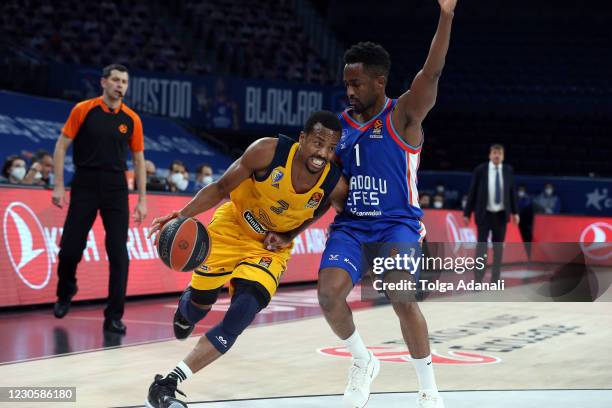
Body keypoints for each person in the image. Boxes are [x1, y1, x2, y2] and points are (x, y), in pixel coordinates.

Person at [144, 111, 348, 408]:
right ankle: (187, 311)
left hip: (268, 248)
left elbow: (320, 209)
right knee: (199, 306)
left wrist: (290, 235)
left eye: (331, 148)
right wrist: (182, 215)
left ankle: (168, 383)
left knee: (244, 310)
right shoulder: (267, 151)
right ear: (302, 139)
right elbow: (220, 188)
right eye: (318, 144)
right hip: (231, 227)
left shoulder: (334, 183)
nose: (323, 154)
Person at [317, 2, 457, 407]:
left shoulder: (404, 116)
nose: (349, 91)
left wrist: (446, 16)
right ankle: (363, 361)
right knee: (328, 296)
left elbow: (431, 72)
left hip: (397, 224)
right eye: (346, 83)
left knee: (400, 294)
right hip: (352, 226)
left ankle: (428, 389)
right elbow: (327, 186)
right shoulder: (338, 128)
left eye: (357, 84)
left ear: (379, 82)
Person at [51, 64, 147, 335]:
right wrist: (58, 186)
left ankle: (114, 316)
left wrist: (142, 199)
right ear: (103, 82)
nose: (120, 85)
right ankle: (66, 291)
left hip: (116, 188)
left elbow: (139, 159)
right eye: (115, 80)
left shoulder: (132, 119)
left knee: (119, 253)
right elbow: (60, 146)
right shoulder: (83, 109)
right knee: (70, 248)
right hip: (85, 184)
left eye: (125, 82)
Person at [463, 144, 519, 284]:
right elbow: (473, 192)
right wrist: (467, 213)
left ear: (503, 156)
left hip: (501, 215)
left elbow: (512, 193)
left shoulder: (508, 170)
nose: (496, 155)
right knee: (481, 247)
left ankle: (495, 279)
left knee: (498, 249)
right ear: (490, 155)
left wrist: (515, 212)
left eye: (499, 153)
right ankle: (478, 278)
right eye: (494, 152)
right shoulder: (481, 170)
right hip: (484, 214)